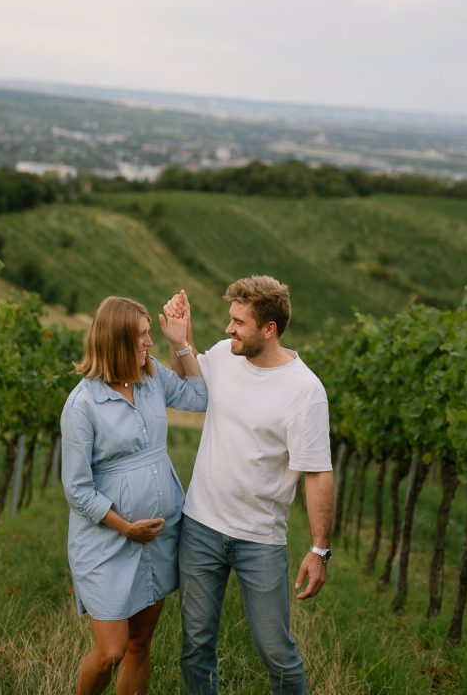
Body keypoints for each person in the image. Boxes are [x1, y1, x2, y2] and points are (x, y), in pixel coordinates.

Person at [165, 276, 333, 695]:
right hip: (200, 527)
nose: (228, 330)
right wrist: (178, 338)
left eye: (238, 322)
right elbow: (189, 382)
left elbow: (317, 473)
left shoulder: (305, 390)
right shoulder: (224, 355)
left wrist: (319, 548)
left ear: (269, 329)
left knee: (276, 653)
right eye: (230, 319)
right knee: (195, 646)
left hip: (260, 540)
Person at [60, 295, 208, 695]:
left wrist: (182, 341)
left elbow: (199, 396)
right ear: (118, 340)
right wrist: (125, 526)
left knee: (140, 645)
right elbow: (76, 488)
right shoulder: (82, 405)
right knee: (111, 651)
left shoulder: (151, 378)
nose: (149, 342)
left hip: (156, 538)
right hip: (107, 542)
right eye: (142, 335)